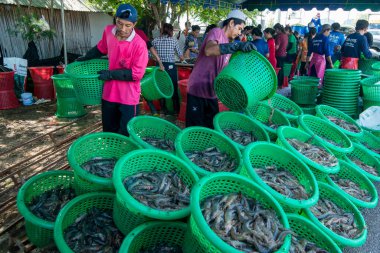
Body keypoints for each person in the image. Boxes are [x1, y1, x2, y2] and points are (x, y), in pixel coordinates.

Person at [77, 4, 148, 136]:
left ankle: (125, 156)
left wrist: (110, 74)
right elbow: (101, 48)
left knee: (127, 133)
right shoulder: (109, 31)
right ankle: (111, 156)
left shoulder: (139, 45)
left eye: (128, 25)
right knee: (109, 131)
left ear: (134, 24)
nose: (123, 29)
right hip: (109, 94)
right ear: (116, 19)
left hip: (128, 97)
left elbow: (136, 74)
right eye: (120, 23)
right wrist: (86, 56)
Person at [185, 10, 256, 128]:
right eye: (239, 28)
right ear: (231, 23)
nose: (239, 33)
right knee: (195, 128)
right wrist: (237, 46)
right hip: (198, 88)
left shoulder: (228, 42)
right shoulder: (216, 32)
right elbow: (209, 50)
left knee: (211, 127)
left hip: (212, 92)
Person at [152, 23, 184, 115]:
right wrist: (183, 59)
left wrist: (157, 58)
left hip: (159, 67)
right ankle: (176, 111)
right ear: (171, 31)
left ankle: (163, 110)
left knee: (161, 87)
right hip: (171, 67)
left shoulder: (155, 40)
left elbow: (150, 54)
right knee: (173, 87)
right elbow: (180, 56)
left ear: (162, 30)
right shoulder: (174, 41)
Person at [273, 23, 288, 88]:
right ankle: (281, 84)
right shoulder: (285, 35)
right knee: (282, 69)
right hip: (284, 54)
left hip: (279, 54)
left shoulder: (279, 36)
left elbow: (276, 47)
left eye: (275, 29)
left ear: (278, 29)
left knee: (278, 70)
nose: (275, 31)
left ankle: (279, 84)